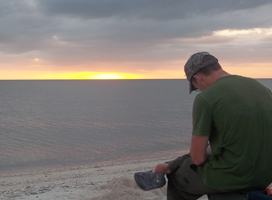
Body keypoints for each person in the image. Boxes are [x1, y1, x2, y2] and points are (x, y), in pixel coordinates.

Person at [135, 52, 272, 200]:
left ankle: (166, 169)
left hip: (234, 176)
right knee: (203, 156)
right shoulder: (262, 89)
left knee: (179, 179)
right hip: (265, 175)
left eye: (196, 87)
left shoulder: (206, 99)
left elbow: (198, 158)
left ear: (197, 78)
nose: (199, 91)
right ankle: (166, 166)